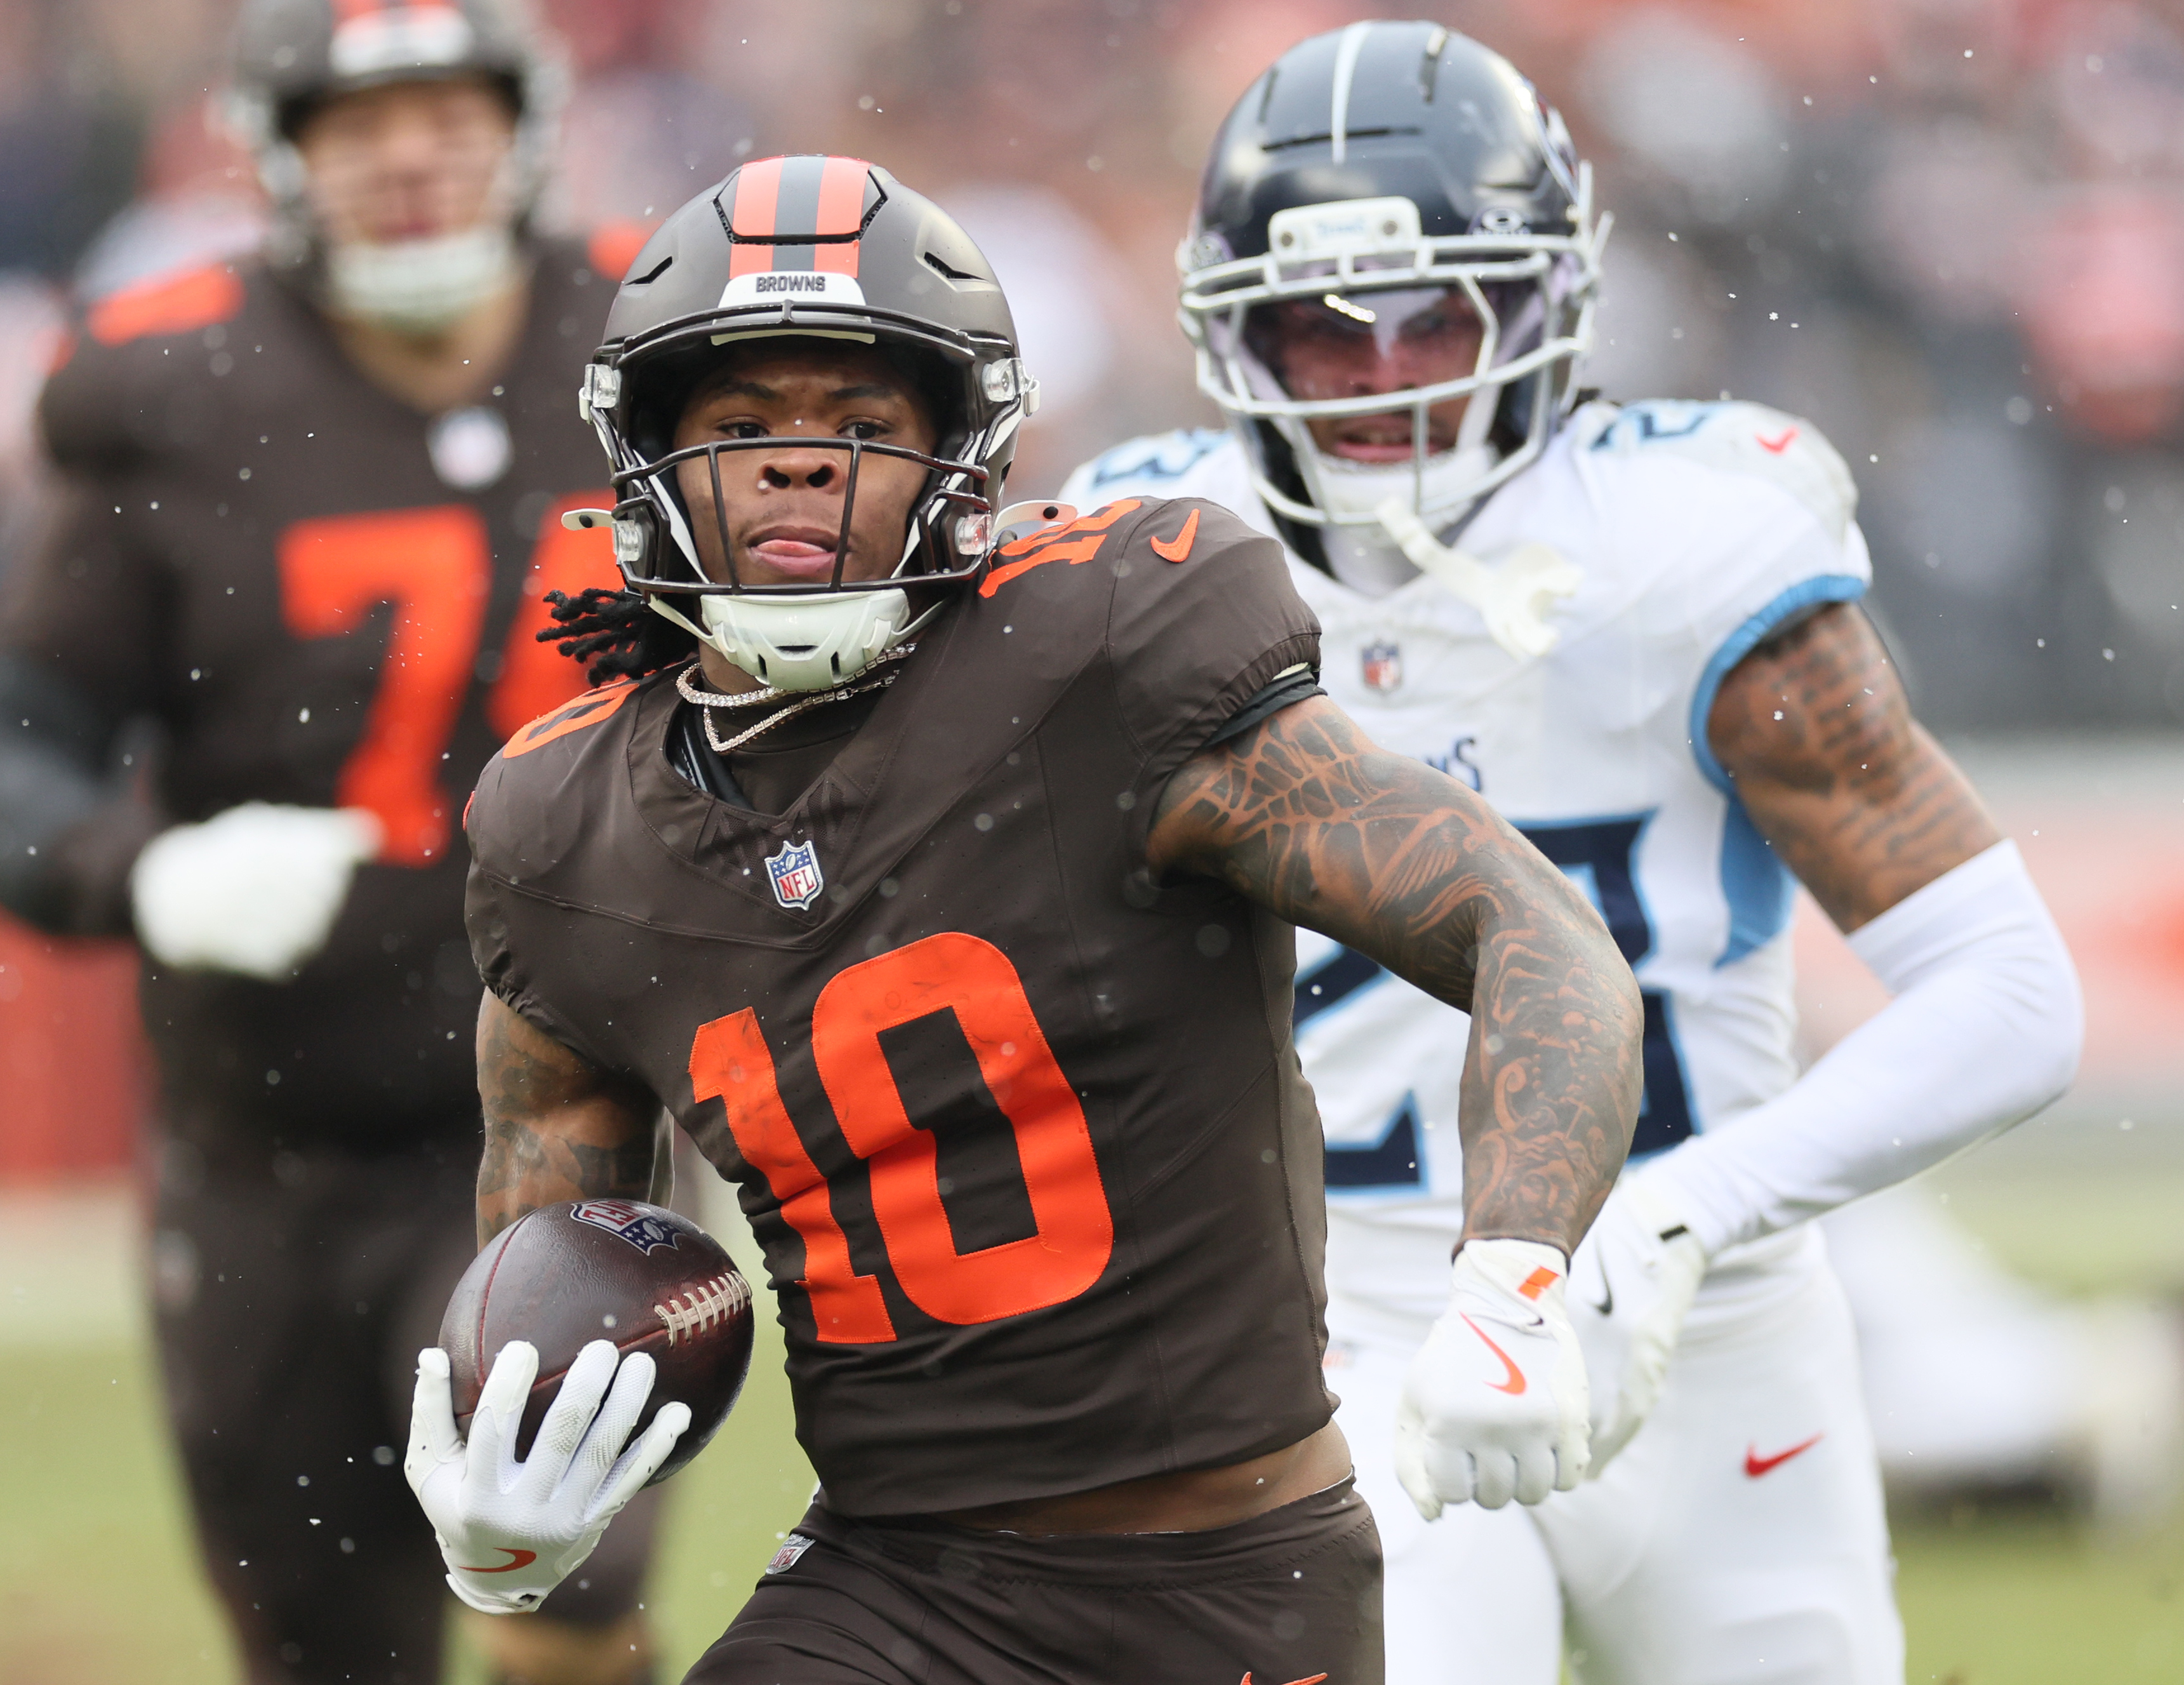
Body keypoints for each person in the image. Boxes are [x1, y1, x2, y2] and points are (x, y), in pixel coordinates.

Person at [406, 154, 1647, 1685]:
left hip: (1227, 1574)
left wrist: (1517, 1277)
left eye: (861, 426)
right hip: (890, 1584)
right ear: (646, 459)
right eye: (740, 428)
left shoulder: (1105, 658)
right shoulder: (562, 826)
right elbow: (558, 1273)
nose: (799, 469)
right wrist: (512, 1480)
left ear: (963, 452)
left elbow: (1529, 929)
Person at [1062, 22, 2084, 1685]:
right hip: (1345, 1333)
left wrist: (1679, 1215)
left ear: (1542, 302)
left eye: (1432, 314)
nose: (1382, 375)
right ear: (1231, 331)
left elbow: (2014, 991)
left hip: (1706, 1318)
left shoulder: (1684, 546)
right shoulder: (1145, 572)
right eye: (1321, 328)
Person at [0, 3, 660, 1681]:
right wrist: (140, 873)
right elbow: (21, 744)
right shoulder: (173, 388)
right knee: (326, 1645)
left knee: (562, 1585)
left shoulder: (655, 346)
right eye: (359, 124)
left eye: (448, 112)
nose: (411, 157)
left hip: (563, 1111)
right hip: (267, 1143)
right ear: (281, 156)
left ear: (524, 125)